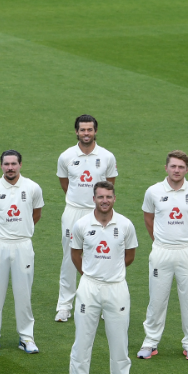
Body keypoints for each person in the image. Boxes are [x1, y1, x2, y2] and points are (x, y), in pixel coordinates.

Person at [64, 181, 139, 374]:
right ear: (93, 199)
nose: (104, 201)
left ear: (114, 198)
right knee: (82, 339)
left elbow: (130, 255)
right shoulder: (82, 225)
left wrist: (111, 272)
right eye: (100, 197)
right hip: (89, 287)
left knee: (119, 340)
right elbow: (75, 254)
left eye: (108, 197)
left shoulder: (125, 224)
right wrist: (90, 274)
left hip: (117, 288)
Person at [138, 151, 188, 361]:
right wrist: (161, 240)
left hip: (187, 251)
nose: (177, 170)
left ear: (187, 169)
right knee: (157, 300)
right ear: (166, 168)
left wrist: (187, 238)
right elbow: (148, 219)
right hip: (161, 251)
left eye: (181, 167)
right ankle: (150, 342)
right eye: (173, 166)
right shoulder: (153, 191)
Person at [54, 115, 117, 322]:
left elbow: (109, 188)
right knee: (69, 257)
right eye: (82, 130)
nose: (86, 133)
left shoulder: (107, 157)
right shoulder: (66, 156)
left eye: (90, 130)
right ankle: (64, 305)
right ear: (76, 132)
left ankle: (99, 305)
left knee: (98, 257)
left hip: (98, 213)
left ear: (95, 131)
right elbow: (65, 184)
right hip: (73, 212)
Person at [0, 150, 44, 354]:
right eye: (6, 164)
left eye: (13, 164)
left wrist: (21, 231)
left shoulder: (33, 188)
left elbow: (36, 214)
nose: (10, 168)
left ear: (20, 165)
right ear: (1, 166)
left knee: (23, 293)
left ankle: (26, 337)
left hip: (23, 245)